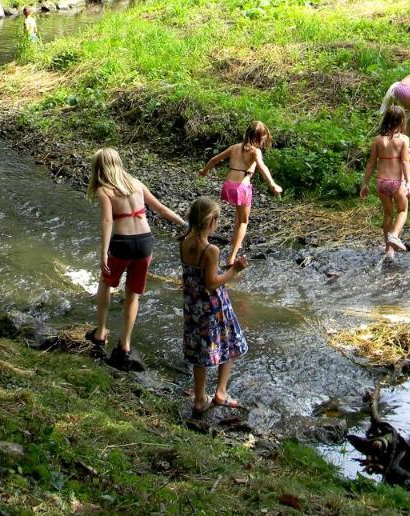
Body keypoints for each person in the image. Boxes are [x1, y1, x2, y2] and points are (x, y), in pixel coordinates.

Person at [86, 147, 186, 370]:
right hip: (144, 242)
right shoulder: (136, 184)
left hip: (122, 243)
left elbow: (107, 222)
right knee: (133, 295)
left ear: (99, 168)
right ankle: (125, 345)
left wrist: (103, 251)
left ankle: (100, 333)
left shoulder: (105, 190)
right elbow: (159, 208)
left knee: (105, 283)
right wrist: (184, 224)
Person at [180, 196, 248, 415]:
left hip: (192, 305)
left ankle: (200, 398)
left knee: (199, 350)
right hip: (213, 306)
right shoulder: (211, 250)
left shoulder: (184, 241)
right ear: (211, 222)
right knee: (230, 343)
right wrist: (234, 270)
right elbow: (211, 283)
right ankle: (220, 392)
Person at [199, 121, 283, 264]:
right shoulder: (255, 151)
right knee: (244, 221)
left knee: (238, 217)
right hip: (241, 188)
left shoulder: (235, 147)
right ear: (260, 138)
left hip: (228, 185)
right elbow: (262, 167)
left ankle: (235, 240)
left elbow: (214, 159)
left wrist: (204, 171)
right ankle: (231, 258)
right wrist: (272, 184)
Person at [360, 105, 410, 259]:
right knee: (402, 210)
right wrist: (408, 182)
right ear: (402, 120)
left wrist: (365, 183)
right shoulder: (403, 140)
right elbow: (404, 162)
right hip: (395, 182)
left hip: (381, 182)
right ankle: (395, 236)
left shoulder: (377, 140)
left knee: (388, 213)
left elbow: (371, 163)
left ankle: (389, 250)